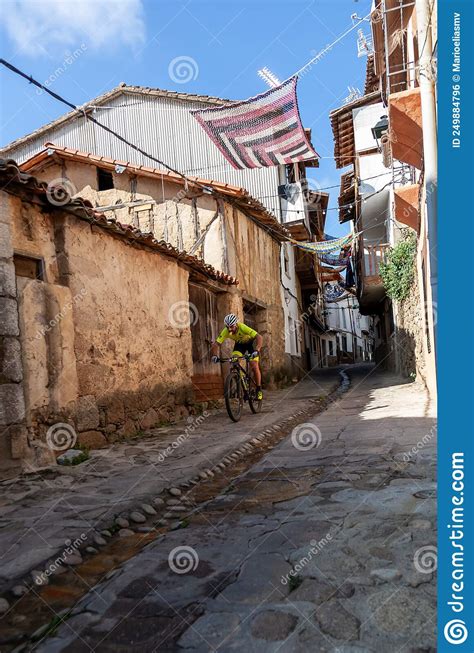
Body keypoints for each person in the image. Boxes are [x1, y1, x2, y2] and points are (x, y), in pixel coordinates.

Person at [211, 313, 263, 400]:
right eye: (228, 327)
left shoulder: (242, 327)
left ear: (236, 324)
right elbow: (216, 344)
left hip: (250, 344)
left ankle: (259, 389)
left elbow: (259, 337)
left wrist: (257, 350)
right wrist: (214, 356)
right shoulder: (226, 331)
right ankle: (243, 382)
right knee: (234, 359)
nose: (230, 329)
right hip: (239, 345)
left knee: (254, 366)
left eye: (232, 326)